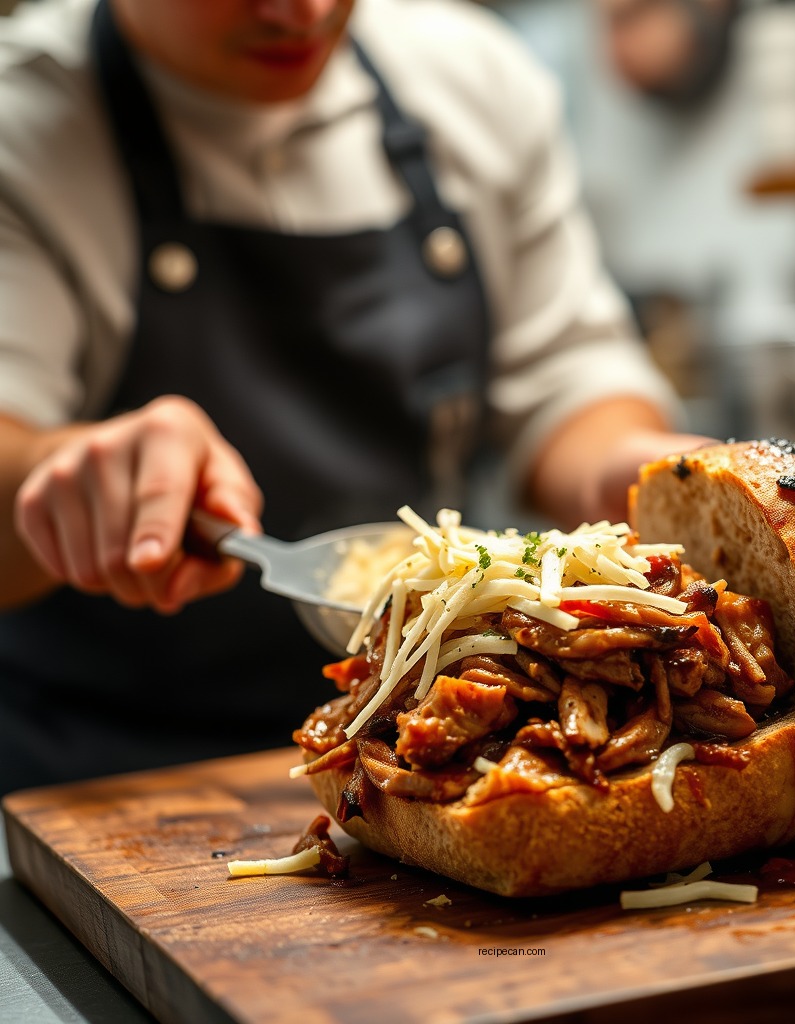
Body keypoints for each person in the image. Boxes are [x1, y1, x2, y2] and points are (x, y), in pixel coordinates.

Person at [0, 0, 707, 794]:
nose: (300, 11)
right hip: (110, 773)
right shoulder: (22, 120)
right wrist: (63, 471)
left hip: (421, 741)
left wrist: (625, 468)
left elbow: (565, 375)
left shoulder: (470, 77)